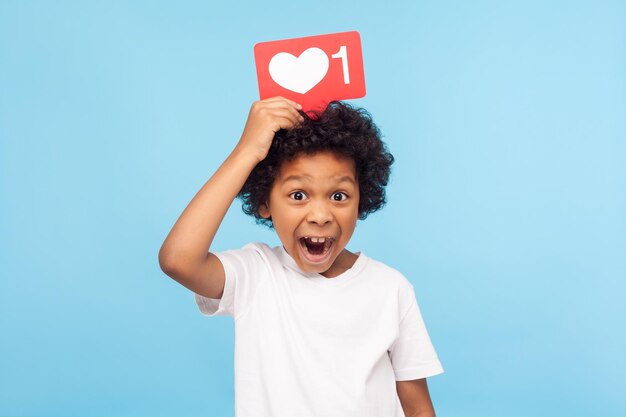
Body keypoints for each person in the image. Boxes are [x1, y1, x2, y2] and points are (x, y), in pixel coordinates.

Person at [159, 96, 444, 417]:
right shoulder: (255, 274)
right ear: (265, 203)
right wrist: (247, 151)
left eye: (339, 196)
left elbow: (418, 408)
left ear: (361, 200)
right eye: (298, 195)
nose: (320, 215)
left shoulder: (391, 288)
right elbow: (177, 259)